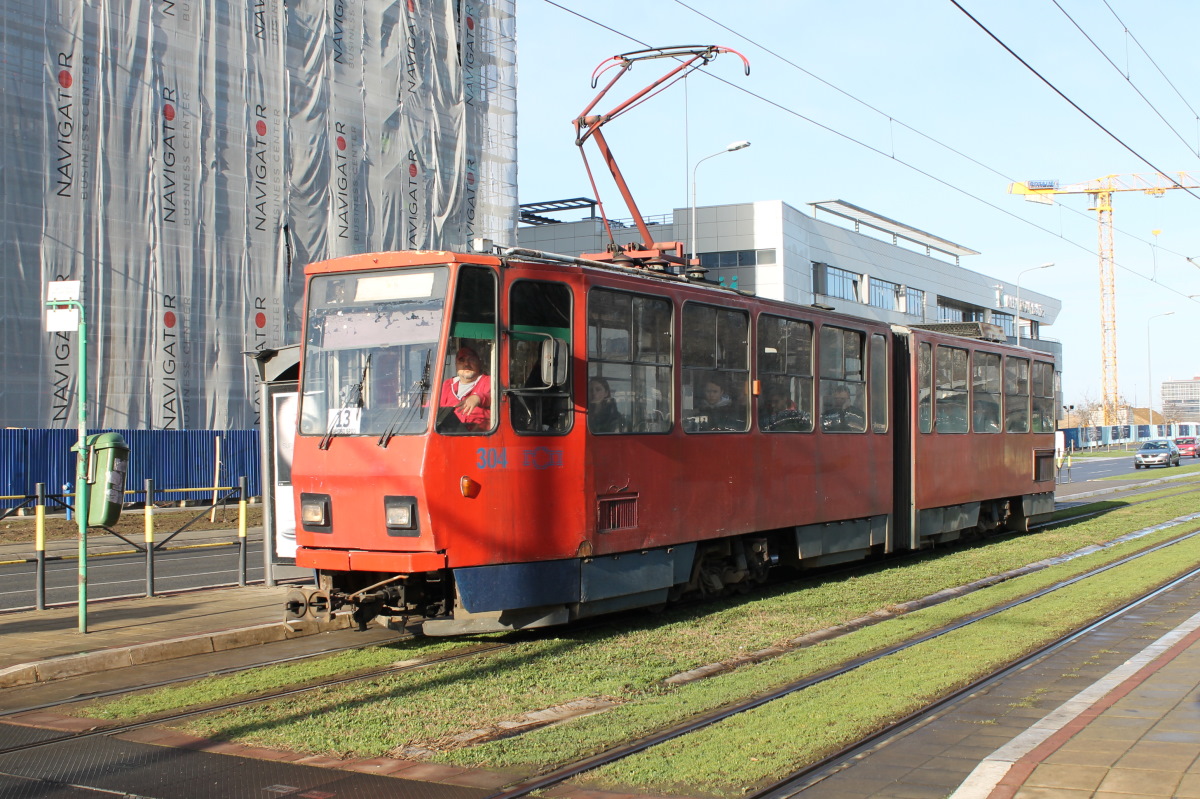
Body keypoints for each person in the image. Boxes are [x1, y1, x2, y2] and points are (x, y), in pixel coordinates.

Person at [438, 346, 491, 431]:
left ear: (479, 363)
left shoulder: (489, 381)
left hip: (479, 435)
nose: (466, 364)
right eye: (461, 360)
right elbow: (433, 407)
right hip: (448, 434)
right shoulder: (447, 385)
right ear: (456, 365)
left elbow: (498, 399)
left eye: (471, 359)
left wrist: (478, 398)